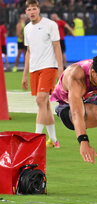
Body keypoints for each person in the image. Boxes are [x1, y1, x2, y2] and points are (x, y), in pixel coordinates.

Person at [22, 0, 63, 148]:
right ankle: (54, 140)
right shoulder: (26, 29)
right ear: (26, 12)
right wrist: (24, 74)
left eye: (34, 9)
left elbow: (57, 46)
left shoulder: (50, 24)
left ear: (38, 10)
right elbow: (28, 52)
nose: (32, 12)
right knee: (44, 105)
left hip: (48, 67)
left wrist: (60, 68)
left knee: (40, 101)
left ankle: (36, 139)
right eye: (29, 10)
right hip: (34, 69)